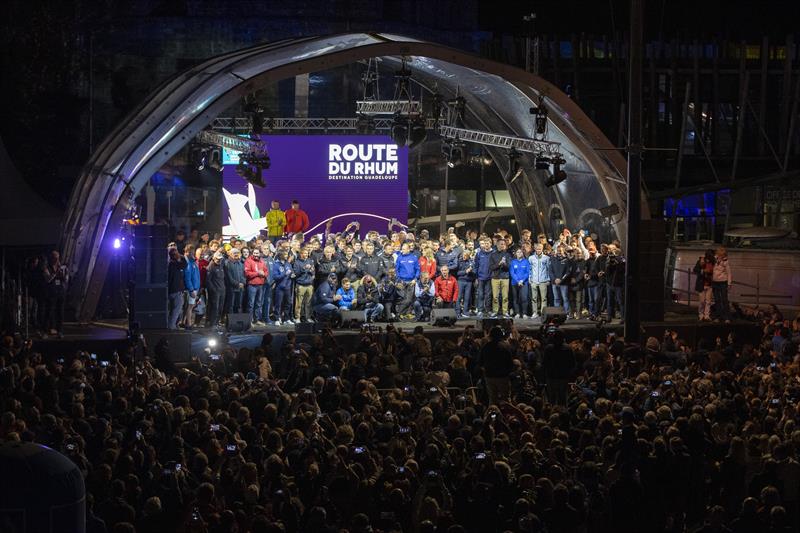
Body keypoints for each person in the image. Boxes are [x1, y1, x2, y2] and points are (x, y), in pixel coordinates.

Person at [480, 325, 514, 404]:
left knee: (492, 399)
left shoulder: (486, 347)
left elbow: (481, 362)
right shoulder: (506, 346)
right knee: (505, 399)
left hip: (490, 376)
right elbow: (510, 363)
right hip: (503, 376)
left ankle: (492, 413)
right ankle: (507, 415)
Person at [542, 326, 575, 406]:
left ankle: (551, 414)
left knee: (551, 399)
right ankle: (562, 415)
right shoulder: (568, 348)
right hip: (563, 377)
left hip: (551, 376)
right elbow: (572, 363)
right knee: (562, 398)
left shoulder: (548, 348)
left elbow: (544, 363)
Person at [42, 250, 69, 337]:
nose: (56, 260)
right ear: (51, 258)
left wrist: (63, 275)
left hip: (61, 292)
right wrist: (55, 273)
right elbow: (48, 279)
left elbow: (66, 280)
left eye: (57, 258)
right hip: (51, 293)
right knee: (49, 311)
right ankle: (45, 331)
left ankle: (60, 331)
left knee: (60, 312)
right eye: (54, 258)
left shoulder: (63, 268)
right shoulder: (46, 268)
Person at [395, 242, 420, 319]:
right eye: (402, 249)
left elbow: (418, 270)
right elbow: (396, 270)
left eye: (404, 249)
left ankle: (401, 313)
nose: (402, 250)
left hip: (411, 282)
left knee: (409, 300)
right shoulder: (399, 258)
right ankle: (400, 314)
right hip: (401, 281)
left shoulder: (414, 258)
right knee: (403, 299)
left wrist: (415, 279)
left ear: (409, 249)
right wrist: (399, 279)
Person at [244, 247, 268, 326]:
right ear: (252, 253)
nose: (255, 255)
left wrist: (264, 274)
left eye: (257, 253)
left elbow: (266, 271)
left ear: (260, 254)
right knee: (251, 304)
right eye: (254, 253)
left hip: (260, 285)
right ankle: (249, 321)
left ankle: (256, 320)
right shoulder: (248, 261)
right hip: (252, 285)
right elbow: (247, 273)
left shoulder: (262, 261)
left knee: (258, 303)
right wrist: (258, 273)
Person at [489, 239, 512, 318]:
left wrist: (504, 264)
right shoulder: (493, 255)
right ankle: (495, 311)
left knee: (505, 296)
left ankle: (505, 311)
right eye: (501, 244)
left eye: (504, 244)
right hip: (495, 278)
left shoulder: (508, 255)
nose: (502, 245)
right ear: (497, 245)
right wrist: (499, 264)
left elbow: (509, 267)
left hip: (505, 278)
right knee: (495, 296)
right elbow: (491, 267)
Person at [271, 250, 294, 326]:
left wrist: (292, 275)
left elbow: (291, 272)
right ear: (280, 255)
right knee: (278, 304)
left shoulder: (288, 263)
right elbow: (275, 276)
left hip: (288, 287)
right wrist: (284, 274)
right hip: (279, 287)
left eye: (287, 254)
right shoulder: (276, 264)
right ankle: (277, 319)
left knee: (288, 303)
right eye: (285, 254)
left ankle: (286, 319)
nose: (286, 256)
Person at [293, 247, 315, 323]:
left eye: (307, 253)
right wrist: (304, 268)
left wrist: (311, 271)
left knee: (308, 303)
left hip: (309, 284)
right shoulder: (297, 262)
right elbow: (296, 273)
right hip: (300, 284)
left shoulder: (310, 261)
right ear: (301, 254)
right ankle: (298, 317)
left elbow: (313, 272)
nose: (306, 255)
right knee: (299, 303)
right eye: (304, 253)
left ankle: (307, 317)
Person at [528, 243, 550, 319]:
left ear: (542, 249)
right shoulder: (531, 258)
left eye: (540, 249)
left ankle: (543, 313)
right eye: (537, 249)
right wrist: (529, 278)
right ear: (535, 249)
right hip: (533, 281)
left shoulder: (546, 258)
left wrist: (548, 279)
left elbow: (548, 269)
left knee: (543, 298)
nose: (538, 250)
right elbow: (530, 269)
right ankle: (535, 312)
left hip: (543, 281)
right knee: (534, 298)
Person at [549, 244, 572, 316]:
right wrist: (554, 279)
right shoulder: (552, 259)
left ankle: (566, 314)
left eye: (560, 251)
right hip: (554, 283)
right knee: (556, 299)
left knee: (565, 299)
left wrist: (561, 279)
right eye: (558, 250)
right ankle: (557, 314)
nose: (559, 252)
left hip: (563, 283)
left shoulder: (567, 260)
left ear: (563, 251)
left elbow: (568, 272)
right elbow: (550, 271)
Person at [167, 247, 186, 330]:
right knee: (176, 310)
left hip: (171, 290)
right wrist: (181, 256)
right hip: (176, 290)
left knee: (172, 310)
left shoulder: (170, 263)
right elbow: (184, 265)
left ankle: (172, 325)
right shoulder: (174, 264)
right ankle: (172, 326)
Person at [205, 251, 226, 328]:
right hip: (215, 291)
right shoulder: (211, 267)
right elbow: (208, 281)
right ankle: (212, 323)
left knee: (220, 307)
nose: (219, 260)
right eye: (217, 259)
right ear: (214, 258)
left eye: (220, 259)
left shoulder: (221, 265)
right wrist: (213, 290)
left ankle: (217, 323)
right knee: (215, 307)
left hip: (222, 290)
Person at [182, 244, 201, 328]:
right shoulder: (188, 263)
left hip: (195, 288)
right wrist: (191, 290)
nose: (191, 253)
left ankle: (185, 322)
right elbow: (187, 278)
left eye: (192, 252)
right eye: (189, 252)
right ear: (186, 252)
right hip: (192, 289)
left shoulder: (193, 262)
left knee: (191, 306)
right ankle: (188, 324)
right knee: (189, 306)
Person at [694, 249, 715, 322]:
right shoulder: (701, 261)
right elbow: (695, 270)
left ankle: (707, 315)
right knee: (702, 301)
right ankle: (701, 315)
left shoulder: (713, 262)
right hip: (701, 284)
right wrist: (703, 271)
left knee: (708, 301)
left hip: (710, 284)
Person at [712, 246, 732, 323]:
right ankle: (718, 316)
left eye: (722, 255)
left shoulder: (726, 261)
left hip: (723, 282)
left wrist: (729, 283)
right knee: (717, 300)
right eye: (719, 254)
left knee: (724, 299)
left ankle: (727, 317)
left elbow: (729, 273)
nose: (720, 256)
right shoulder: (714, 259)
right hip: (715, 282)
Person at [474, 238, 493, 316]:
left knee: (488, 295)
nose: (486, 245)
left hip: (490, 277)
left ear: (490, 244)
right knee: (480, 294)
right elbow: (476, 265)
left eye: (487, 243)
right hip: (480, 277)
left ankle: (488, 310)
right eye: (485, 243)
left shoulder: (493, 253)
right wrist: (476, 277)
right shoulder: (479, 253)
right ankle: (480, 309)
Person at [223, 248, 245, 317]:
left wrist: (243, 283)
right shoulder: (227, 263)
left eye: (237, 253)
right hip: (231, 288)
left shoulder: (241, 264)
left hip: (240, 288)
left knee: (238, 305)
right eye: (234, 253)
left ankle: (237, 321)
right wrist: (237, 284)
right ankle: (230, 322)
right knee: (230, 305)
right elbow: (229, 277)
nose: (236, 254)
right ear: (230, 254)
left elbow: (244, 275)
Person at [510, 247, 530, 319]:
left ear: (523, 253)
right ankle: (517, 313)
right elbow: (512, 272)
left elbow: (527, 272)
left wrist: (522, 280)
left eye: (520, 252)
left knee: (524, 298)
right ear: (515, 253)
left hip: (524, 283)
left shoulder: (526, 261)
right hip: (515, 283)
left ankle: (524, 313)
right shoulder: (513, 262)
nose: (519, 253)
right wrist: (518, 281)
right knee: (515, 299)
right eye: (518, 252)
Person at [455, 249, 475, 318]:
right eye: (463, 255)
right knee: (459, 297)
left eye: (466, 256)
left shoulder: (472, 262)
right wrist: (465, 272)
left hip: (469, 281)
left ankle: (465, 312)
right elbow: (457, 273)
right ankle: (458, 312)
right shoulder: (459, 261)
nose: (464, 257)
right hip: (460, 281)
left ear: (468, 256)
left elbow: (475, 272)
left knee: (467, 297)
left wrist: (471, 271)